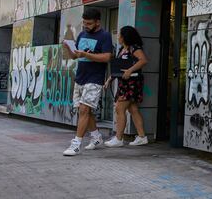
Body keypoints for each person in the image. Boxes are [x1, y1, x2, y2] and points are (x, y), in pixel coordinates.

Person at [62, 8, 113, 156]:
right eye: (84, 22)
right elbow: (75, 57)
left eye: (89, 23)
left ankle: (76, 144)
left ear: (98, 22)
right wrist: (69, 49)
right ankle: (96, 137)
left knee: (84, 109)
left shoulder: (105, 36)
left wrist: (86, 54)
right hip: (80, 77)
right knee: (84, 110)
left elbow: (107, 57)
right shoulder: (82, 34)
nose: (86, 26)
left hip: (95, 78)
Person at [104, 26, 148, 147]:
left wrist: (130, 70)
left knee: (119, 108)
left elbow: (143, 60)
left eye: (120, 35)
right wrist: (109, 79)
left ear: (125, 37)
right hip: (124, 82)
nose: (118, 37)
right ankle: (142, 136)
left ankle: (119, 138)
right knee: (132, 109)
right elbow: (118, 67)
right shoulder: (122, 49)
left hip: (132, 82)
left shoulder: (134, 48)